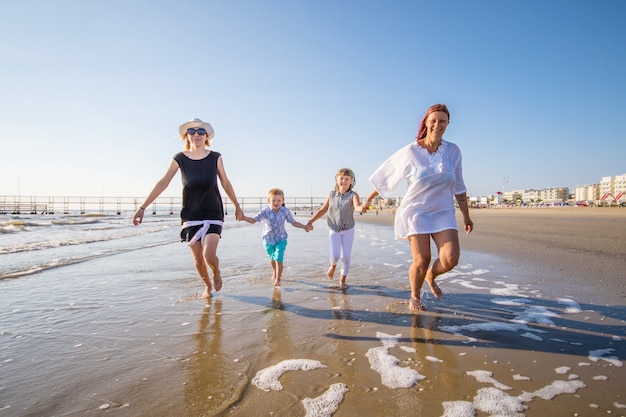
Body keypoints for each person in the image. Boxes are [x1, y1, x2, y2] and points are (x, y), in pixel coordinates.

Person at [364, 104, 473, 312]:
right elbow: (386, 175)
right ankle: (414, 296)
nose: (437, 125)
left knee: (450, 259)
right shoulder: (411, 151)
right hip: (416, 211)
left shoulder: (453, 151)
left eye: (442, 121)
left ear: (448, 123)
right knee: (422, 259)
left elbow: (459, 186)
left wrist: (466, 216)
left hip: (443, 211)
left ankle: (431, 276)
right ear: (426, 123)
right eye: (433, 120)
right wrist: (368, 200)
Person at [133, 118, 243, 298]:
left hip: (213, 211)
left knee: (208, 255)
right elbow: (163, 182)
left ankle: (216, 271)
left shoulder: (215, 157)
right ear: (187, 136)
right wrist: (143, 207)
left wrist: (237, 205)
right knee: (198, 259)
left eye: (201, 132)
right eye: (192, 131)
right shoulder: (180, 158)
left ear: (206, 136)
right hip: (191, 214)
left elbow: (225, 182)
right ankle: (207, 286)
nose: (196, 134)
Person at [306, 168, 368, 289]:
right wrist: (310, 221)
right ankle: (333, 265)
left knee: (346, 257)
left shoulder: (353, 195)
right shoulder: (331, 195)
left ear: (351, 181)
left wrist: (362, 208)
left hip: (348, 229)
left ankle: (342, 281)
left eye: (347, 179)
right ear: (336, 179)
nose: (344, 181)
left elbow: (357, 207)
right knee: (335, 255)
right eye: (341, 178)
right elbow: (322, 210)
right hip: (333, 229)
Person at [240, 188, 308, 287]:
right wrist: (244, 218)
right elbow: (254, 220)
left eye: (279, 200)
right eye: (273, 200)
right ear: (268, 201)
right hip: (268, 240)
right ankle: (275, 272)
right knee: (272, 259)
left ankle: (278, 279)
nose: (276, 202)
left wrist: (304, 227)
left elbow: (293, 222)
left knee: (279, 258)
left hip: (281, 239)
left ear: (283, 201)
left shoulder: (285, 211)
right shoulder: (265, 211)